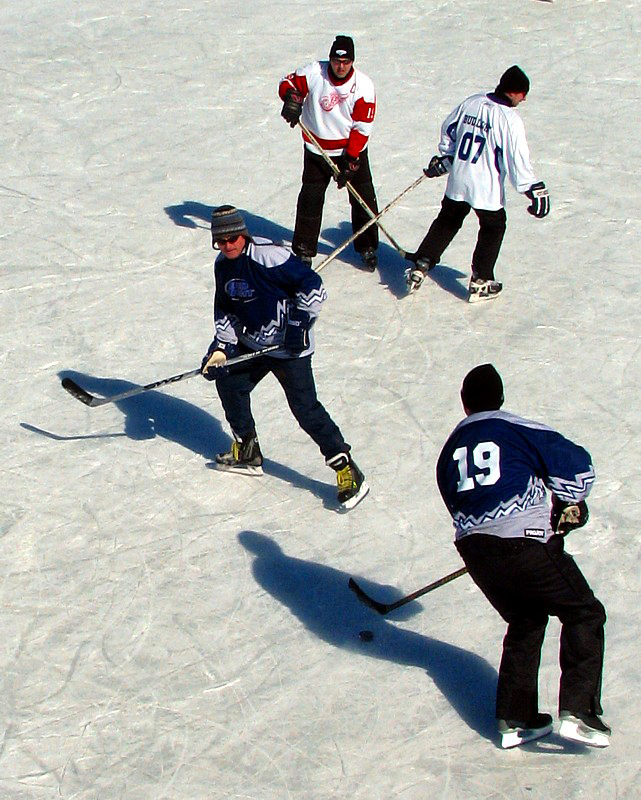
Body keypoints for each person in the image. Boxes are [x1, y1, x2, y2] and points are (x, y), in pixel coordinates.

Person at [436, 364, 609, 749]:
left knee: (526, 619)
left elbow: (461, 506)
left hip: (475, 551)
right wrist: (566, 504)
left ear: (465, 404)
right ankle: (579, 711)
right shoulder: (512, 427)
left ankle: (516, 719)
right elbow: (578, 470)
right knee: (584, 612)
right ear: (499, 398)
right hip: (524, 544)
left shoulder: (449, 449)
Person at [200, 205, 369, 511]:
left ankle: (346, 467)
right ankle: (247, 450)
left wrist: (299, 325)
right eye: (220, 242)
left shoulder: (270, 256)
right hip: (254, 345)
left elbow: (313, 287)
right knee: (230, 384)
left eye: (232, 239)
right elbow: (224, 308)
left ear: (243, 234)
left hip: (290, 349)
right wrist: (221, 348)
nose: (227, 246)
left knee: (305, 409)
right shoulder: (223, 265)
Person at [407, 66, 550, 301]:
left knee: (448, 220)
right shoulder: (509, 119)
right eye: (523, 94)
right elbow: (517, 158)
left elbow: (449, 128)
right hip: (486, 187)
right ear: (514, 92)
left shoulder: (472, 102)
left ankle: (422, 262)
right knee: (493, 227)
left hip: (459, 179)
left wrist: (447, 157)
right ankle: (481, 280)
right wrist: (531, 188)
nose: (524, 99)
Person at [279, 35, 380, 272]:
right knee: (310, 200)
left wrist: (352, 159)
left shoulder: (364, 86)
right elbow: (287, 83)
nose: (340, 66)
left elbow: (363, 127)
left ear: (352, 62)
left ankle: (367, 246)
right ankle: (304, 249)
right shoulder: (315, 72)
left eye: (345, 62)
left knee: (363, 199)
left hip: (350, 150)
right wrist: (291, 98)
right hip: (317, 149)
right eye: (336, 60)